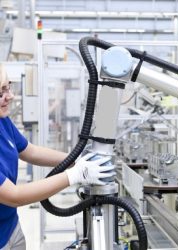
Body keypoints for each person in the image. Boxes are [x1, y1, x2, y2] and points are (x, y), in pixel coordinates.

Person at [0, 64, 114, 250]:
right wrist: (75, 175)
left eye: (8, 87)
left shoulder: (3, 121)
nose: (10, 96)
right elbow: (14, 196)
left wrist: (76, 160)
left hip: (11, 227)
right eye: (1, 93)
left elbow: (31, 151)